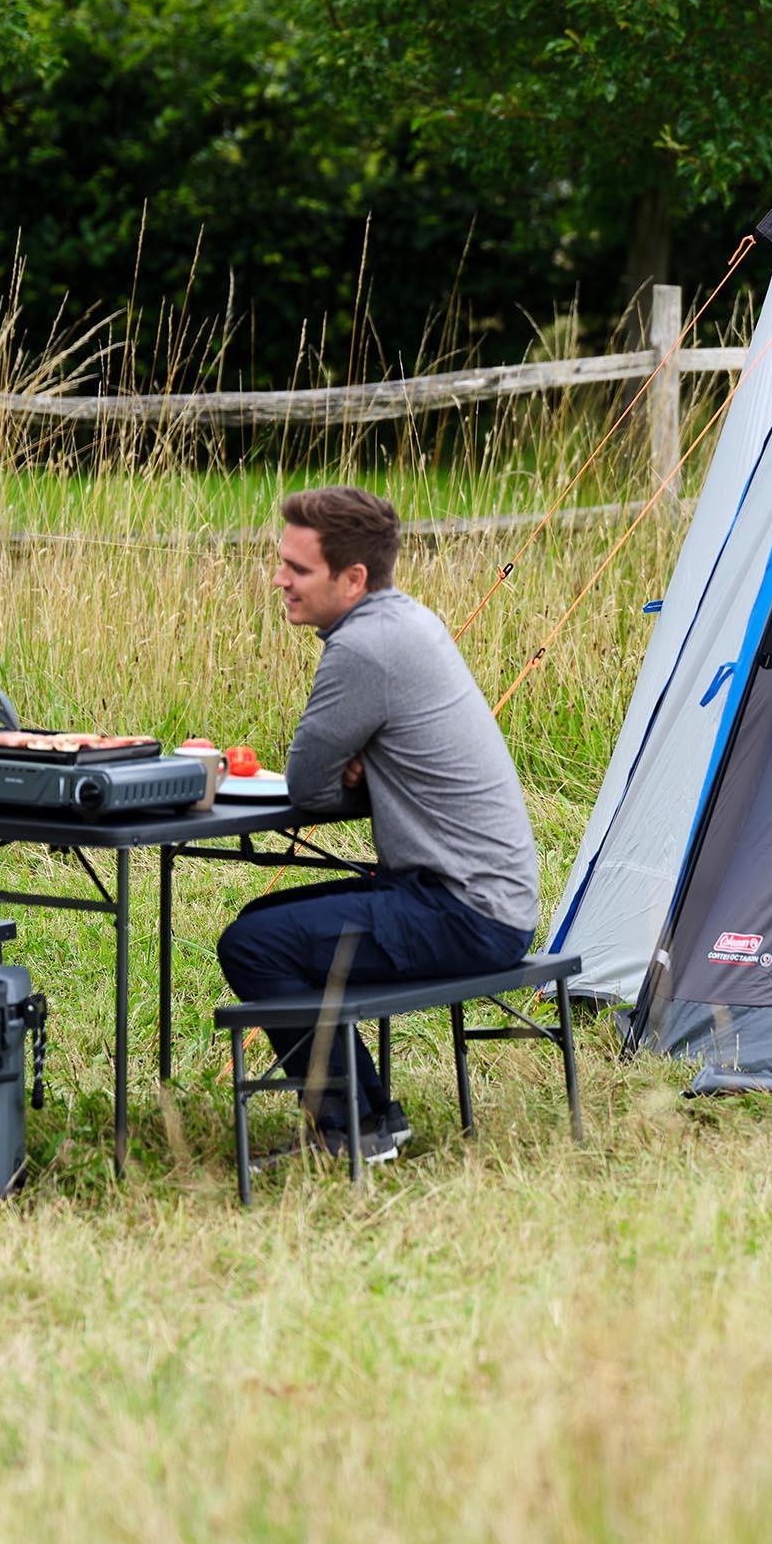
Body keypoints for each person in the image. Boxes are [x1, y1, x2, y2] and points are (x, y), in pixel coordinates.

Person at [219, 483, 544, 1160]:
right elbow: (335, 778)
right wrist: (359, 770)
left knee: (257, 946)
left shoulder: (364, 648)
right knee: (258, 927)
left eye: (298, 568)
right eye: (282, 561)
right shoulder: (407, 620)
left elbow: (307, 787)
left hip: (464, 909)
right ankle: (369, 1119)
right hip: (478, 895)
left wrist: (349, 774)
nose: (279, 579)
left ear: (353, 577)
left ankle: (352, 1131)